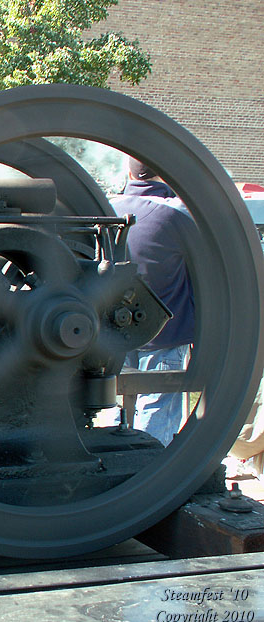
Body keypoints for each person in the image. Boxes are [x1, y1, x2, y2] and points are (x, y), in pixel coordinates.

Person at [113, 158, 195, 445]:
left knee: (117, 406)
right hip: (165, 333)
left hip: (116, 331)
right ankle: (149, 473)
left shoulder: (110, 208)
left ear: (128, 172)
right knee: (156, 409)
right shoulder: (177, 213)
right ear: (164, 173)